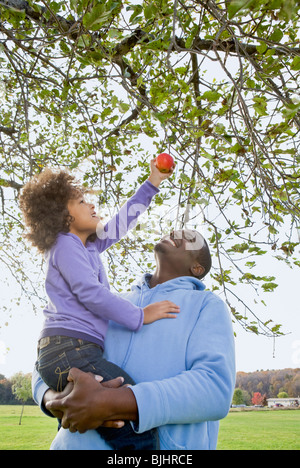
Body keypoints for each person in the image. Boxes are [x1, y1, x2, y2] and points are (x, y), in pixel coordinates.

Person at [19, 160, 180, 450]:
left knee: (86, 422)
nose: (91, 205)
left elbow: (121, 223)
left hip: (72, 351)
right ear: (63, 215)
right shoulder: (65, 244)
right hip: (68, 350)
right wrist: (140, 315)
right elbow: (90, 293)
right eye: (81, 201)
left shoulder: (88, 246)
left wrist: (152, 182)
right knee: (130, 406)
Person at [32, 229, 236, 450]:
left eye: (191, 238)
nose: (177, 233)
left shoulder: (207, 305)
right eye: (176, 231)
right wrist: (54, 398)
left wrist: (112, 403)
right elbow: (52, 352)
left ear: (197, 268)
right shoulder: (109, 301)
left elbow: (215, 388)